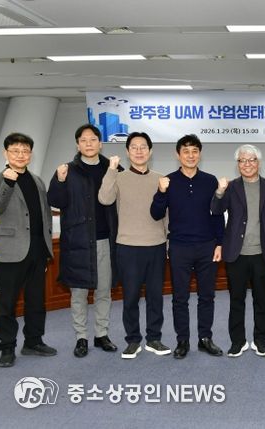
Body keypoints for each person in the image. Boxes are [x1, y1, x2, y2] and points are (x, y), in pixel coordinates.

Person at [150, 134, 224, 359]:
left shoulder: (210, 181)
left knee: (207, 296)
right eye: (186, 151)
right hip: (180, 246)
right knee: (180, 297)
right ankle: (182, 340)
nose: (190, 155)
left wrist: (220, 243)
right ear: (178, 155)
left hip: (207, 246)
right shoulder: (168, 181)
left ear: (200, 154)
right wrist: (161, 192)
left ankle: (205, 338)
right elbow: (156, 214)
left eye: (194, 151)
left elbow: (217, 214)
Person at [48, 124, 119, 358]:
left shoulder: (113, 168)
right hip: (77, 241)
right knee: (78, 293)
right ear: (78, 145)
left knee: (103, 291)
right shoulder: (67, 170)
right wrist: (59, 181)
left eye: (93, 139)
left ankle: (101, 334)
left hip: (105, 240)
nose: (89, 144)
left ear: (100, 143)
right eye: (83, 140)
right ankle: (81, 337)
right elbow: (55, 201)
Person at [98, 132, 170, 359]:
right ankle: (133, 340)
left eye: (143, 147)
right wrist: (111, 170)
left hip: (156, 245)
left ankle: (154, 338)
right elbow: (104, 198)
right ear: (127, 152)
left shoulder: (161, 179)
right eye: (134, 147)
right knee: (130, 297)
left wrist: (167, 242)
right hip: (128, 246)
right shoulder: (118, 177)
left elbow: (167, 215)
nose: (139, 151)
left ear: (150, 151)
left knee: (155, 297)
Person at [0, 133, 56, 367]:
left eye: (25, 151)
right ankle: (7, 348)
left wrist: (47, 247)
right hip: (11, 250)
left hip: (37, 250)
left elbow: (45, 214)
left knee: (36, 301)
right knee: (7, 303)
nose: (20, 155)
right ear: (6, 153)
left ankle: (33, 342)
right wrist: (8, 183)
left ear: (30, 155)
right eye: (15, 150)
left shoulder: (37, 180)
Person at [211, 144, 265, 358]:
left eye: (251, 160)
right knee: (236, 301)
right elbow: (216, 210)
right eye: (242, 160)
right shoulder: (231, 187)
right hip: (236, 254)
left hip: (262, 254)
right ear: (238, 164)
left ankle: (260, 341)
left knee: (261, 301)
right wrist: (219, 191)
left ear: (258, 163)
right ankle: (238, 342)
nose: (247, 164)